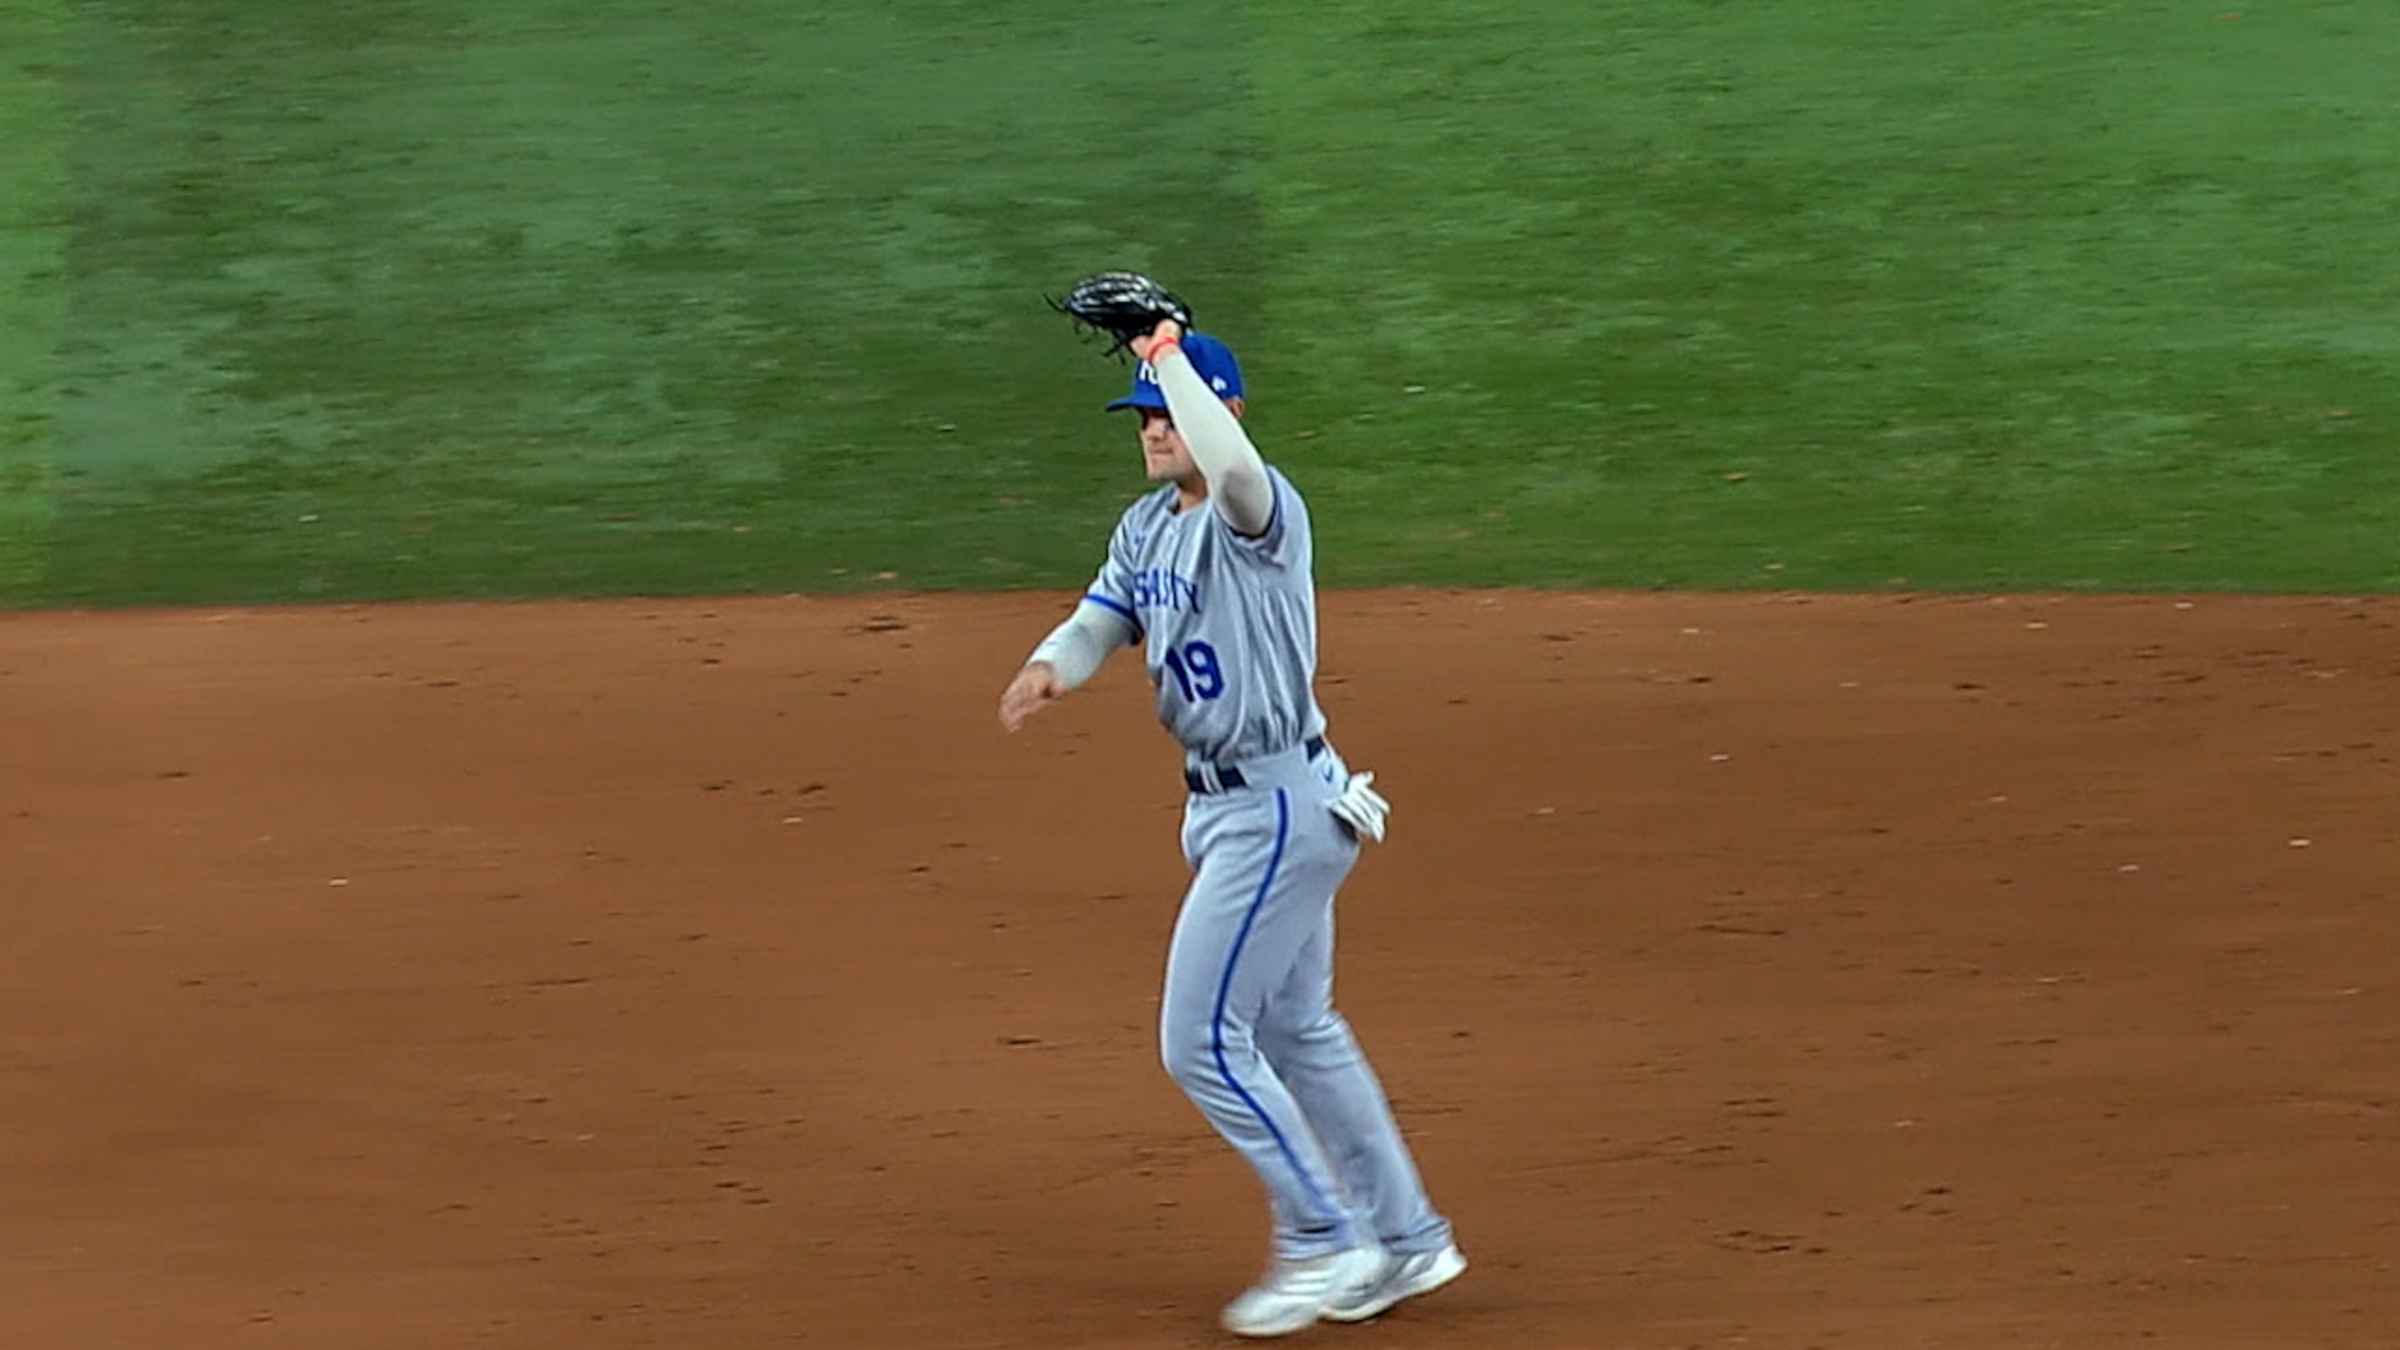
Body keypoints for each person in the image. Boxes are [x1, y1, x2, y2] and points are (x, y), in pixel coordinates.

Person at [996, 316, 1467, 1337]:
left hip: (1277, 811)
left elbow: (1236, 468)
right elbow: (1099, 621)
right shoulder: (1147, 527)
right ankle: (1408, 1240)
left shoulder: (1261, 515)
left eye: (1169, 416)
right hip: (1232, 809)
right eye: (1144, 418)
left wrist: (1164, 351)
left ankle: (1323, 1239)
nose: (1154, 430)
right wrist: (1049, 667)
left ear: (1219, 414)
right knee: (1297, 1030)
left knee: (1200, 1040)